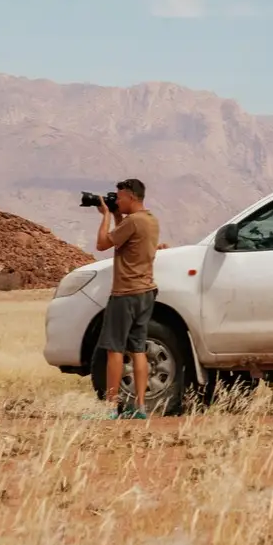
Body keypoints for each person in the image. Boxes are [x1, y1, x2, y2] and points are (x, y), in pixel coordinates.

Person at [93, 178, 160, 419]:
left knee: (115, 349)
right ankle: (140, 407)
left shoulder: (132, 222)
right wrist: (118, 216)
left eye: (119, 197)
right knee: (138, 349)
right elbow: (125, 238)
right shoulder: (150, 220)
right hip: (145, 292)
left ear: (131, 197)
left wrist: (105, 217)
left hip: (125, 294)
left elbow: (102, 244)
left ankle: (111, 407)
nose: (116, 201)